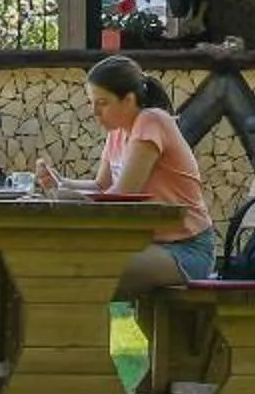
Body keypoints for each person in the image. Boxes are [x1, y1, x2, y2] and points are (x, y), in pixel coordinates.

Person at [35, 54, 215, 296]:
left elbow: (122, 195)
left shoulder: (151, 121)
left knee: (86, 270)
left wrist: (67, 196)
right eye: (91, 102)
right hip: (148, 244)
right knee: (58, 264)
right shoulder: (118, 133)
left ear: (128, 100)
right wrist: (59, 182)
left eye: (102, 103)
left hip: (184, 249)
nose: (94, 112)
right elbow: (101, 186)